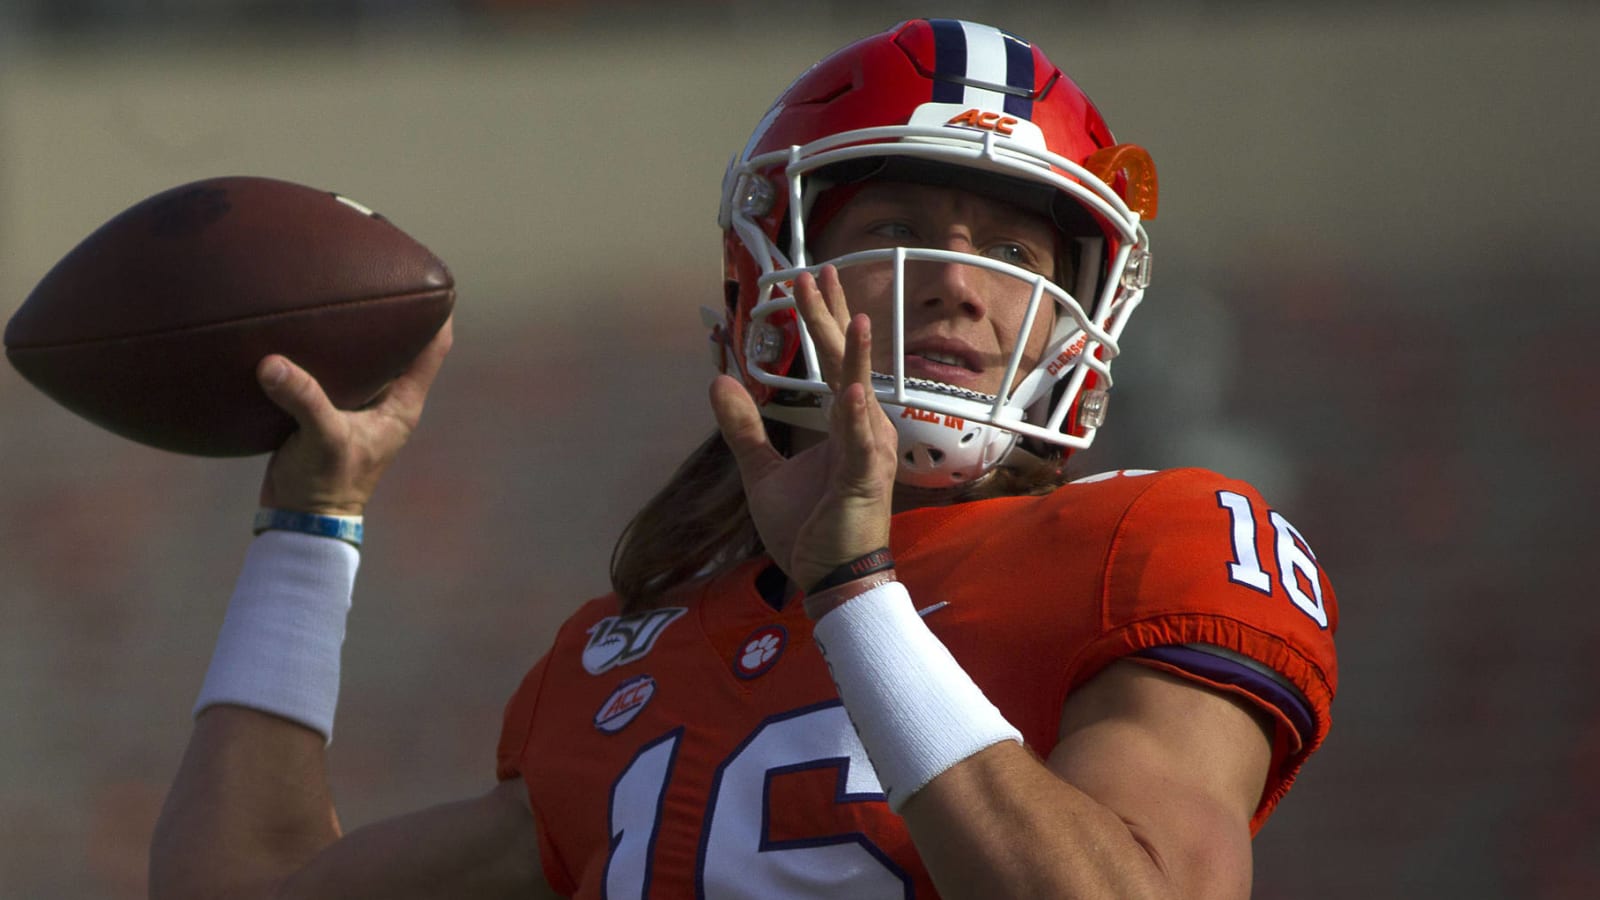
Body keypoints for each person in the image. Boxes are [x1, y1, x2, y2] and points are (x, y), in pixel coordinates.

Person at [150, 18, 1338, 899]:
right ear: (766, 275)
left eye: (1020, 254)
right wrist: (312, 525)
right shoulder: (633, 653)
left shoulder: (1153, 544)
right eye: (898, 235)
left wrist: (854, 598)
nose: (967, 289)